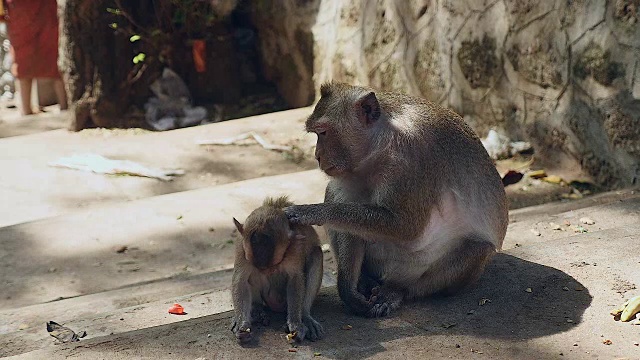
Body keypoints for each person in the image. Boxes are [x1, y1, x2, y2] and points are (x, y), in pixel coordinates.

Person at [3, 0, 67, 115]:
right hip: (28, 10)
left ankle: (27, 108)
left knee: (47, 54)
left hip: (25, 10)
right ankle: (63, 105)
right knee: (51, 53)